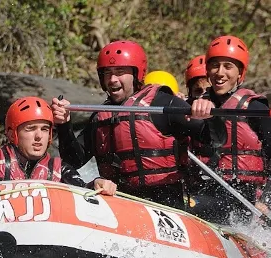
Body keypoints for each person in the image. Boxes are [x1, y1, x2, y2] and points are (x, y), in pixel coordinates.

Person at [51, 40, 213, 210]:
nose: (112, 79)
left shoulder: (163, 103)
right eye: (107, 73)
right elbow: (73, 161)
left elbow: (212, 142)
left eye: (120, 72)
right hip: (120, 206)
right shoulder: (100, 115)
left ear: (137, 74)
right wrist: (64, 125)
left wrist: (207, 118)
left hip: (165, 206)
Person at [189, 35, 271, 246]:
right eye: (214, 66)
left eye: (228, 66)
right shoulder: (193, 105)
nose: (220, 73)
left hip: (245, 200)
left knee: (190, 204)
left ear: (240, 72)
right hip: (207, 192)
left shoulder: (256, 109)